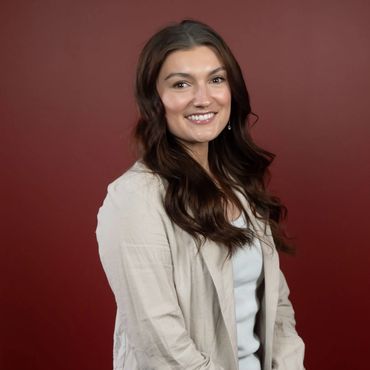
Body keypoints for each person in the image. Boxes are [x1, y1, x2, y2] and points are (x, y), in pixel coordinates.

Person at [96, 19, 305, 370]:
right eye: (181, 84)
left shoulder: (240, 188)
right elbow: (159, 343)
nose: (203, 98)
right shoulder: (134, 199)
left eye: (216, 79)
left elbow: (277, 308)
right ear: (154, 100)